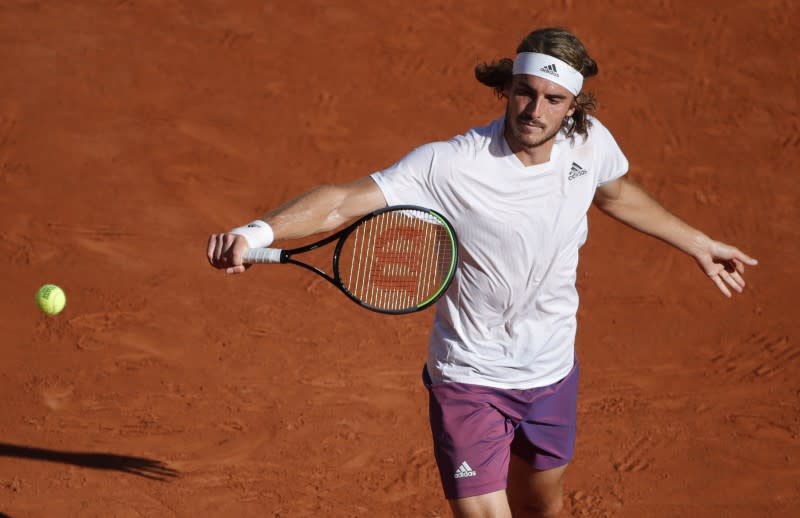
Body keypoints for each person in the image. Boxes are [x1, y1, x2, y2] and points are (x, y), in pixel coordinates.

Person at [207, 27, 757, 518]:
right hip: (469, 376)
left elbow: (615, 193)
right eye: (524, 92)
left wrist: (696, 242)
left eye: (552, 99)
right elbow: (341, 202)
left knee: (542, 507)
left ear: (573, 106)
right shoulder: (451, 164)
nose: (534, 110)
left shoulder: (588, 142)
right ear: (507, 88)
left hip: (551, 370)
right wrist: (257, 233)